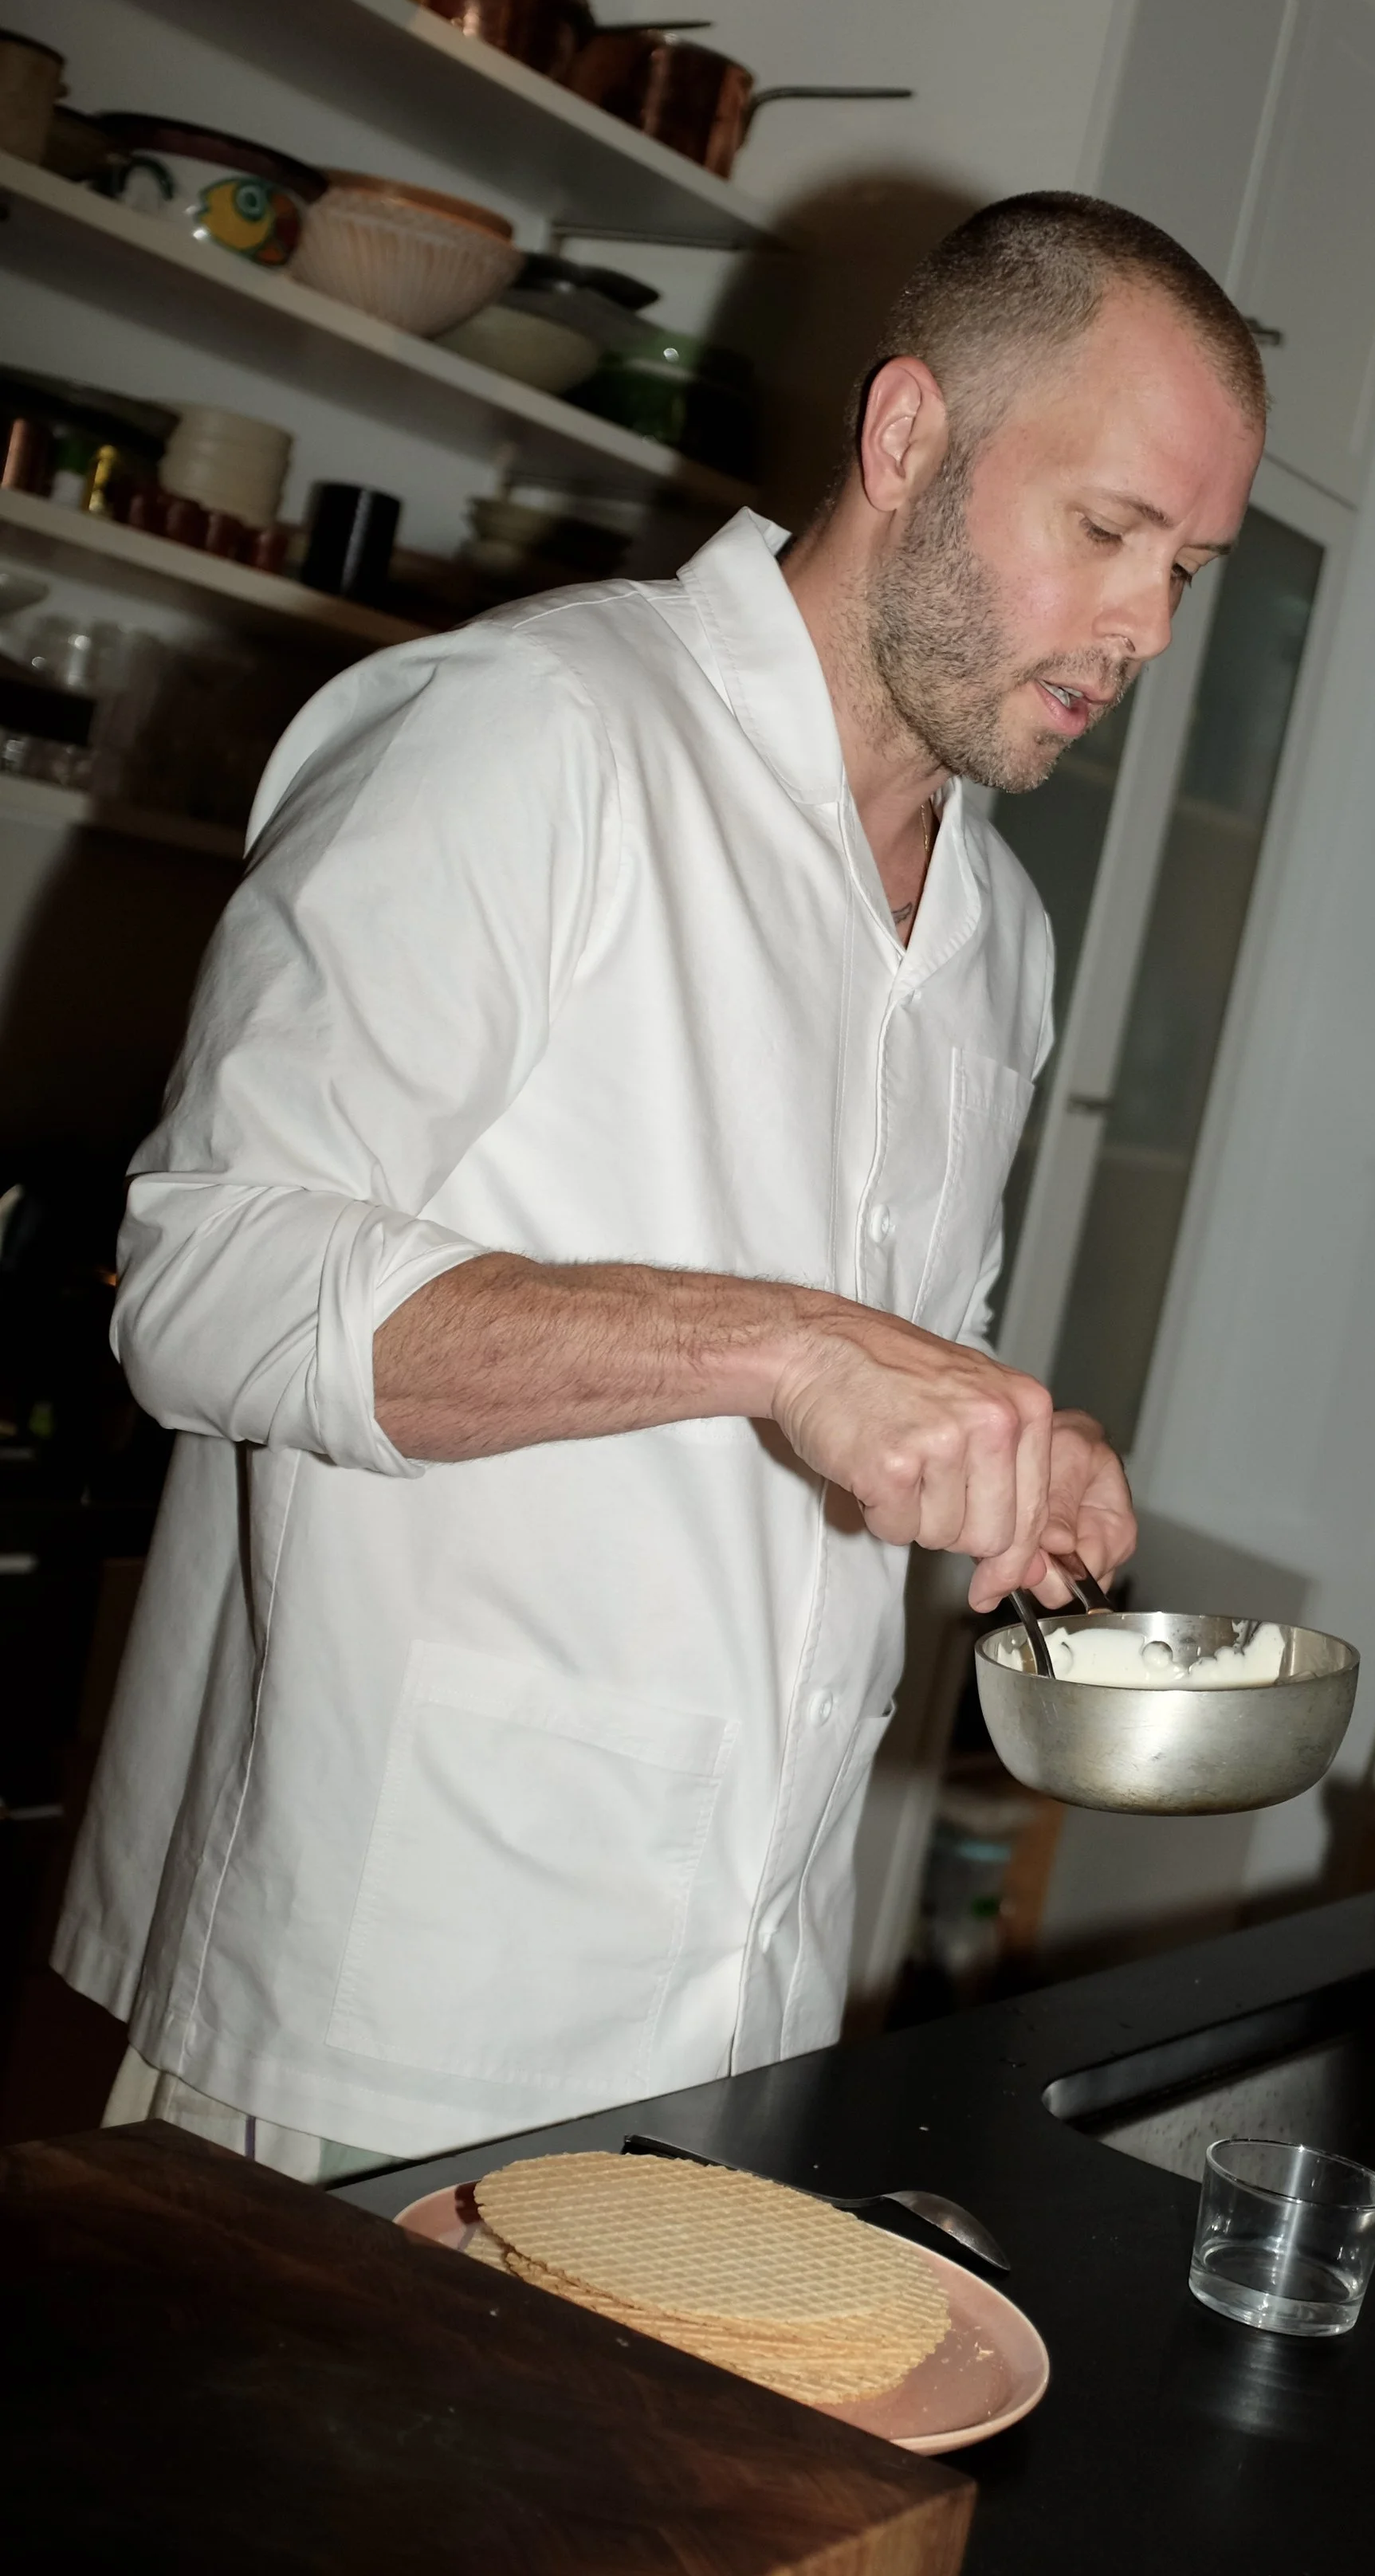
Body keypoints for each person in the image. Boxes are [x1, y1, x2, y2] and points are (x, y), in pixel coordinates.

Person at [54, 191, 1267, 2177]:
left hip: (740, 2020)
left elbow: (869, 1360)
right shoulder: (530, 736)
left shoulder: (998, 940)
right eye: (1106, 531)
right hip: (391, 1992)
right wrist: (788, 1351)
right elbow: (200, 1283)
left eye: (1187, 571)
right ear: (904, 443)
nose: (1140, 627)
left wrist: (980, 1439)